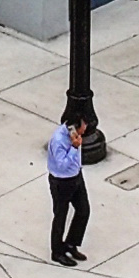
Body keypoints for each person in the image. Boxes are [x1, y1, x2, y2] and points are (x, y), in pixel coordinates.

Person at [44, 112, 91, 266]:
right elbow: (61, 164)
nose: (85, 129)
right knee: (60, 216)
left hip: (76, 176)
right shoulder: (59, 140)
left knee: (83, 210)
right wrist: (74, 147)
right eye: (83, 126)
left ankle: (71, 243)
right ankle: (57, 252)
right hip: (61, 182)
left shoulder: (74, 135)